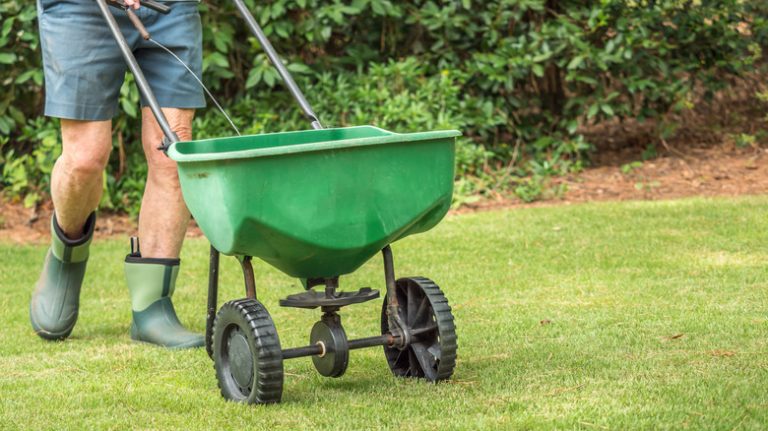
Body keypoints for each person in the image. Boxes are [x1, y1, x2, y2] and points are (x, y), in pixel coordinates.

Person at [29, 0, 206, 348]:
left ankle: (151, 307)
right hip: (80, 9)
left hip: (171, 7)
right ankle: (68, 253)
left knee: (172, 151)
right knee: (85, 158)